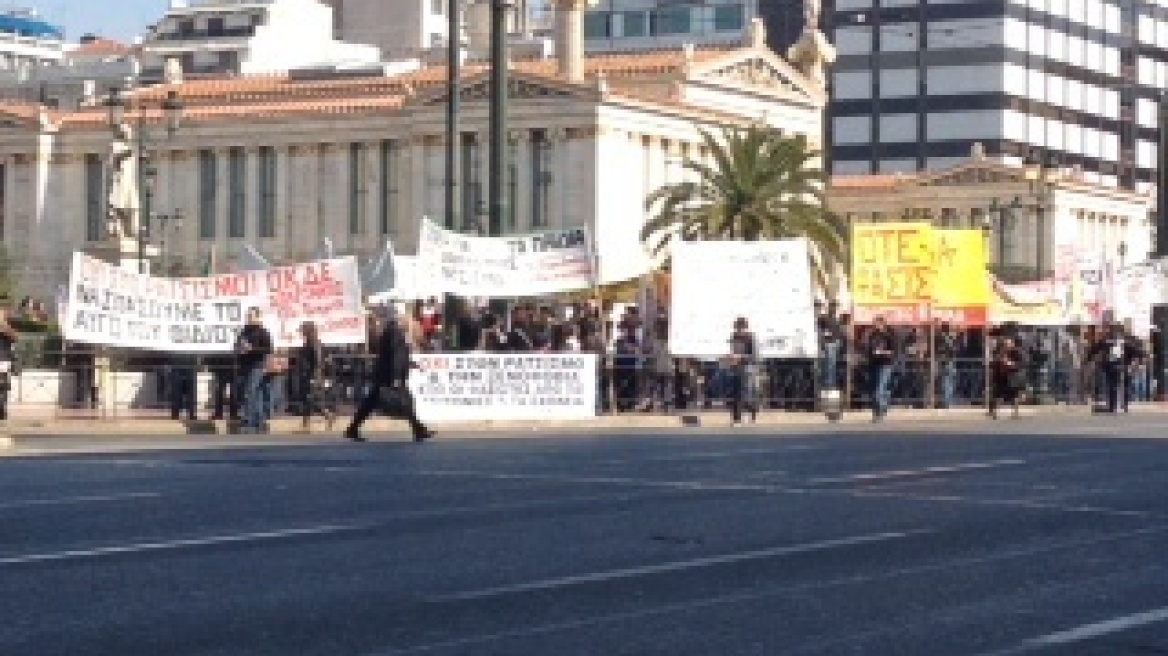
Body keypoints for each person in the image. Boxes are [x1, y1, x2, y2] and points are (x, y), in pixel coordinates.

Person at [343, 306, 433, 443]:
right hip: (390, 375)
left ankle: (353, 428)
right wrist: (396, 376)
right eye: (402, 317)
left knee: (371, 403)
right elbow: (396, 355)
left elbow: (397, 355)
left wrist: (409, 364)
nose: (405, 320)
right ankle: (418, 429)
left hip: (385, 374)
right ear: (396, 318)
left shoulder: (391, 331)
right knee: (404, 402)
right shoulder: (395, 332)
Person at [236, 307, 274, 433]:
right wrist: (239, 349)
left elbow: (268, 349)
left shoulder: (263, 332)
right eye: (248, 316)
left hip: (257, 365)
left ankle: (249, 420)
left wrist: (252, 349)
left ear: (258, 317)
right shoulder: (244, 332)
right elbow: (237, 346)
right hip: (245, 365)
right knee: (256, 394)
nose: (249, 318)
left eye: (251, 316)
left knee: (250, 392)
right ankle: (259, 420)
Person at [295, 321, 337, 433]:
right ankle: (305, 425)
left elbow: (318, 362)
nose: (301, 332)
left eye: (303, 330)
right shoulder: (308, 343)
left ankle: (328, 415)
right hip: (308, 375)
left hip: (313, 376)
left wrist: (314, 377)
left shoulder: (314, 344)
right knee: (307, 400)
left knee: (312, 400)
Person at [727, 317, 759, 426]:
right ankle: (737, 419)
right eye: (737, 328)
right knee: (736, 392)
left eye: (741, 328)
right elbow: (732, 350)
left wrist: (740, 356)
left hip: (748, 368)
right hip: (736, 367)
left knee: (745, 393)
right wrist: (730, 358)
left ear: (745, 328)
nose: (739, 331)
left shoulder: (750, 338)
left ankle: (750, 413)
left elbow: (754, 356)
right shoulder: (733, 337)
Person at [866, 316, 896, 421]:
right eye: (874, 324)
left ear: (882, 324)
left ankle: (879, 412)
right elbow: (869, 349)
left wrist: (881, 352)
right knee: (874, 390)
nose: (874, 325)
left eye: (876, 323)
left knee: (880, 389)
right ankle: (880, 408)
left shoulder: (889, 335)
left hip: (885, 364)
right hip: (874, 364)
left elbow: (893, 351)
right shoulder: (872, 335)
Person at [989, 336, 1026, 419]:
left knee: (1014, 396)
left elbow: (1022, 364)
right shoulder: (1000, 353)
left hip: (1012, 377)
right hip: (1001, 377)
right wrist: (995, 362)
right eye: (1005, 344)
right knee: (998, 395)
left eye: (1008, 344)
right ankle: (994, 412)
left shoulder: (1017, 353)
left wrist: (1010, 364)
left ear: (1012, 344)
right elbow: (994, 363)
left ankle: (1015, 413)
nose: (1006, 346)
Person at [0, 310, 18, 420]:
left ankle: (2, 409)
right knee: (3, 386)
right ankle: (2, 410)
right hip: (4, 360)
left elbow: (15, 338)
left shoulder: (7, 330)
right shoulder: (7, 329)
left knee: (3, 386)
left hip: (3, 360)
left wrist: (4, 326)